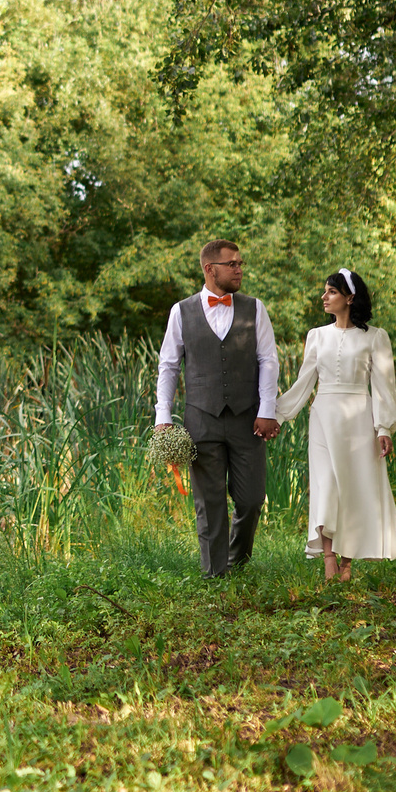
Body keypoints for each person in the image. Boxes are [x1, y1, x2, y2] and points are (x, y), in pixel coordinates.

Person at [154, 239, 279, 577]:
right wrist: (163, 416)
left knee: (251, 499)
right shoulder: (181, 311)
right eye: (232, 264)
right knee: (209, 502)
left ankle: (237, 561)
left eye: (240, 263)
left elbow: (268, 360)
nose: (239, 269)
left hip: (247, 418)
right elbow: (169, 365)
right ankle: (215, 574)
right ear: (210, 269)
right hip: (201, 419)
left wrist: (267, 409)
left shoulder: (255, 308)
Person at [275, 268, 396, 580]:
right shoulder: (316, 336)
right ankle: (329, 559)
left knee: (354, 487)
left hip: (359, 420)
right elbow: (304, 382)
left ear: (350, 297)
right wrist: (274, 414)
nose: (324, 297)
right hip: (323, 417)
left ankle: (347, 564)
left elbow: (384, 386)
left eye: (331, 292)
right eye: (325, 291)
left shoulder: (375, 337)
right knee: (326, 485)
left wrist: (384, 428)